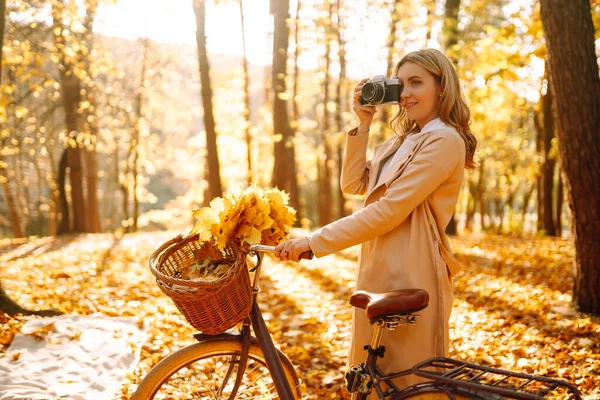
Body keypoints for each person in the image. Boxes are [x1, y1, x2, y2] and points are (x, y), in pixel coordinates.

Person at [274, 48, 477, 395]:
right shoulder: (402, 140)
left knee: (408, 378)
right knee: (372, 374)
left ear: (441, 88)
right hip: (377, 261)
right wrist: (363, 124)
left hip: (413, 264)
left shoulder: (444, 139)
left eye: (417, 82)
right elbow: (354, 184)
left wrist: (313, 241)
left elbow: (389, 210)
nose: (407, 93)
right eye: (402, 84)